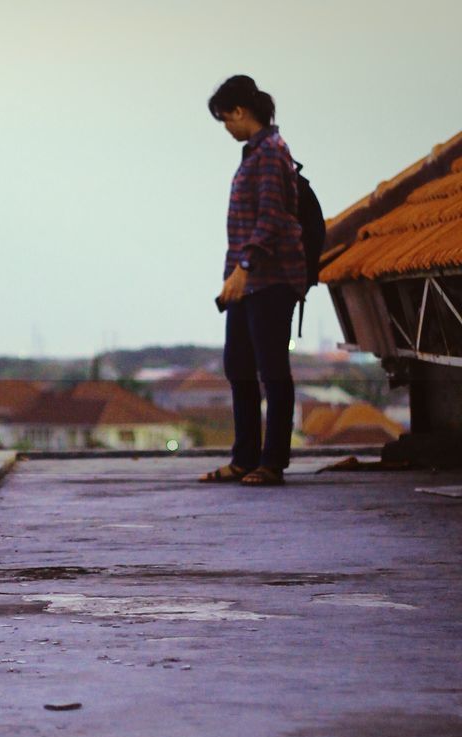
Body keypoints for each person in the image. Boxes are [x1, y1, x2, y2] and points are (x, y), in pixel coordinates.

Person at [199, 75, 307, 487]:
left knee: (272, 371)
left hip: (271, 279)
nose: (226, 127)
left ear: (241, 112)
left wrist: (244, 267)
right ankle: (244, 458)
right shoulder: (254, 154)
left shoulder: (272, 154)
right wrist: (236, 275)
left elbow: (272, 219)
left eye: (226, 118)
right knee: (239, 367)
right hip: (245, 280)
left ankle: (272, 462)